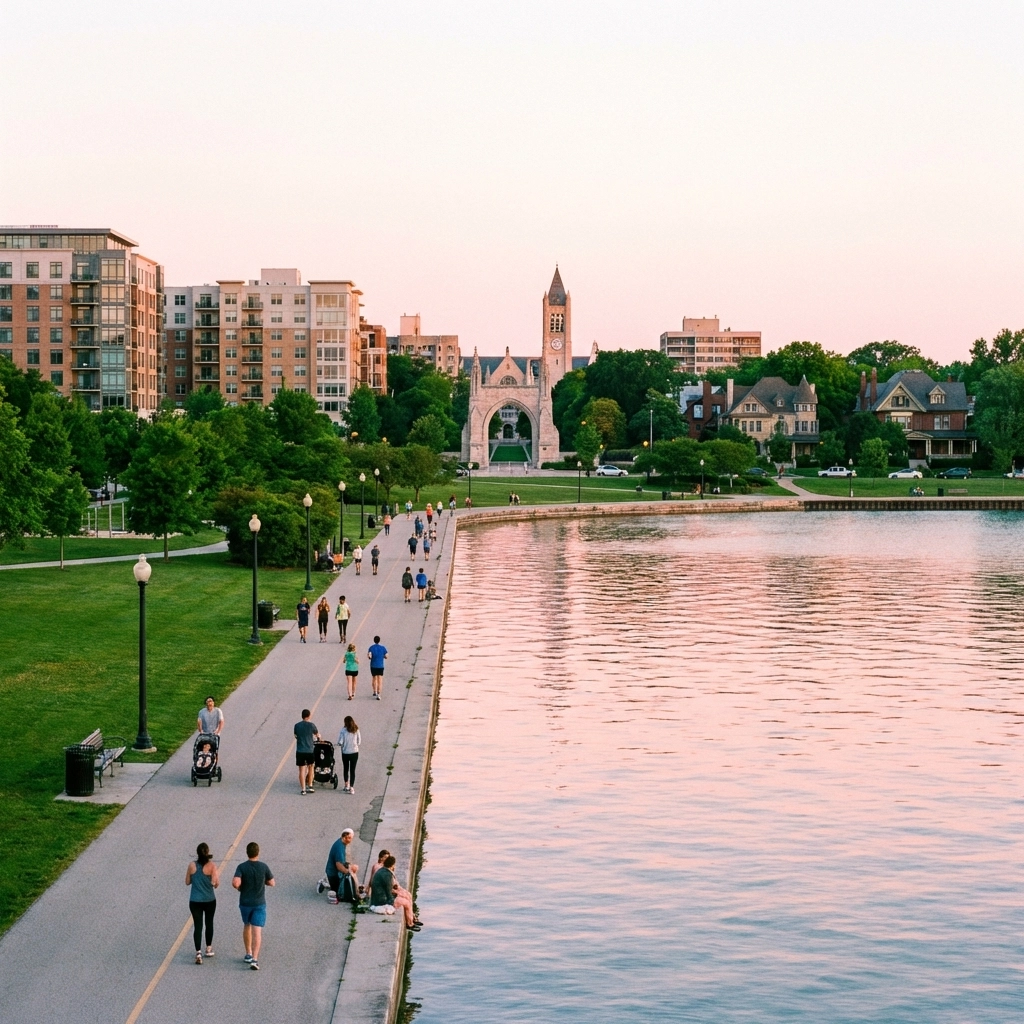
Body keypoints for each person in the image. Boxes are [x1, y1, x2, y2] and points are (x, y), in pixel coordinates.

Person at [232, 841, 274, 970]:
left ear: (247, 853)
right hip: (259, 903)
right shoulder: (263, 867)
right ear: (258, 853)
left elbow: (235, 882)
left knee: (247, 925)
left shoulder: (242, 867)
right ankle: (255, 959)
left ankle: (248, 953)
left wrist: (240, 887)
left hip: (245, 903)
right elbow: (272, 882)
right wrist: (263, 881)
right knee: (257, 931)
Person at [186, 842, 220, 964]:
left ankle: (198, 952)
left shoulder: (191, 865)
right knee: (209, 923)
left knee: (198, 925)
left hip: (195, 900)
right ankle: (209, 948)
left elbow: (187, 881)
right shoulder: (212, 866)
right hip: (209, 900)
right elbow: (216, 884)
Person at [369, 854, 419, 931]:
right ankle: (410, 924)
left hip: (378, 897)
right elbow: (389, 894)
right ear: (392, 865)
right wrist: (397, 896)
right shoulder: (387, 875)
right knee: (406, 903)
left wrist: (398, 893)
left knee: (407, 896)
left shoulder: (382, 870)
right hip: (382, 901)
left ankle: (412, 918)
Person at [321, 828, 358, 902]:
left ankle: (327, 883)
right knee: (339, 892)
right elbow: (338, 865)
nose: (351, 840)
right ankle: (326, 884)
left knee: (354, 868)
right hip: (333, 874)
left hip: (332, 871)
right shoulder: (339, 848)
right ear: (345, 837)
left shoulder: (341, 843)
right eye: (350, 838)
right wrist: (348, 872)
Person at [294, 709, 321, 794]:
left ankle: (303, 789)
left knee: (302, 770)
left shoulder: (297, 725)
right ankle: (310, 785)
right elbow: (317, 735)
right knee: (311, 767)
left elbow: (296, 736)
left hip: (300, 750)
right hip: (309, 750)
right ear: (309, 716)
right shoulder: (312, 725)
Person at [338, 716, 360, 792]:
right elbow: (359, 741)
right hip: (354, 752)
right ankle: (352, 787)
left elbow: (340, 741)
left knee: (346, 768)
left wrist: (340, 744)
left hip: (345, 753)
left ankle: (346, 784)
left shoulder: (343, 730)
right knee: (352, 770)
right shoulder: (356, 729)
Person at [368, 635, 387, 700]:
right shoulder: (383, 648)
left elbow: (369, 656)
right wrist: (383, 656)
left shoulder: (371, 648)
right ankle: (379, 694)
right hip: (380, 666)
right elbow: (386, 656)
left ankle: (374, 691)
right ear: (379, 640)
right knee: (380, 680)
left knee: (374, 678)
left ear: (374, 640)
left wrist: (371, 657)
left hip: (373, 665)